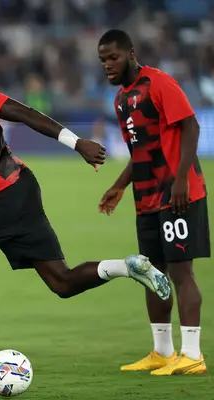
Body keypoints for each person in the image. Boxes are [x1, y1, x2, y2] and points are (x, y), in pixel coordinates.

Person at [0, 28, 172, 398]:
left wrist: (75, 143)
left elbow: (19, 111)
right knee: (62, 282)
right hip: (18, 190)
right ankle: (127, 266)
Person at [97, 29, 208, 375]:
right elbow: (139, 152)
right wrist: (118, 186)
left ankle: (192, 355)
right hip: (146, 197)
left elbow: (191, 127)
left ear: (130, 54)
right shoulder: (120, 99)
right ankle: (162, 351)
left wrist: (180, 180)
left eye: (113, 57)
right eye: (102, 61)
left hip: (178, 193)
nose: (107, 65)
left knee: (180, 272)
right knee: (151, 272)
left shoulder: (159, 83)